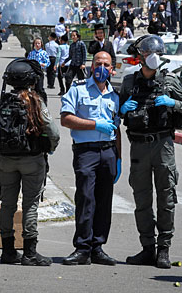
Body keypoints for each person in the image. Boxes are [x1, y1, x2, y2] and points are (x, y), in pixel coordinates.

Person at [120, 35, 182, 268]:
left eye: (156, 54)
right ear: (140, 57)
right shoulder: (129, 82)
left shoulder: (169, 81)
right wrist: (122, 109)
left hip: (163, 145)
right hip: (139, 146)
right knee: (142, 199)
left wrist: (172, 103)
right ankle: (147, 248)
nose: (153, 57)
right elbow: (118, 112)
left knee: (166, 198)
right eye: (148, 53)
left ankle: (164, 249)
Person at [0, 59, 60, 266]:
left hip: (5, 160)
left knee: (7, 205)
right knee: (30, 205)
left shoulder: (1, 102)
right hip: (32, 159)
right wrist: (50, 148)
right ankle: (30, 252)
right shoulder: (35, 101)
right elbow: (53, 132)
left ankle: (8, 251)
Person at [60, 51, 120, 266]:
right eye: (98, 63)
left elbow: (117, 129)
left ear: (112, 69)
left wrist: (118, 158)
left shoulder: (115, 95)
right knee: (86, 198)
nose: (102, 67)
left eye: (106, 64)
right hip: (86, 151)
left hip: (108, 151)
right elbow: (66, 119)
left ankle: (98, 247)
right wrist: (95, 124)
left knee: (104, 201)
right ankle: (82, 247)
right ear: (90, 65)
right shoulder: (78, 89)